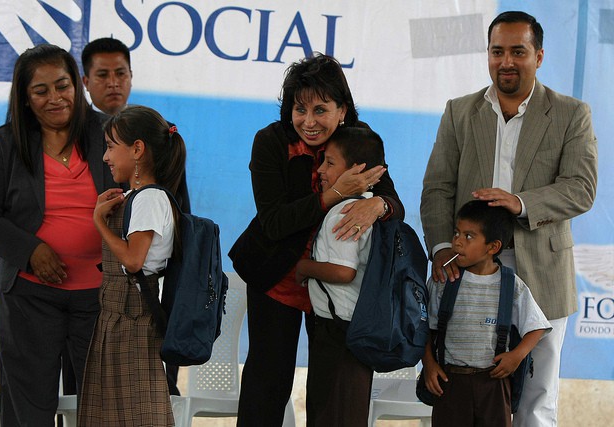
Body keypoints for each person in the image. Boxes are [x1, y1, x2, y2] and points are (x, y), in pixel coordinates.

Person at [420, 11, 598, 427]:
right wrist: (443, 248)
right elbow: (437, 189)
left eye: (518, 51)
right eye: (497, 51)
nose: (506, 61)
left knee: (538, 397)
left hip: (542, 269)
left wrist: (519, 202)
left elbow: (581, 188)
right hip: (470, 270)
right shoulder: (459, 112)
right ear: (488, 54)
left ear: (538, 56)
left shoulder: (572, 113)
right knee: (469, 388)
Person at [229, 53, 404, 426]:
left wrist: (378, 207)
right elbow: (273, 222)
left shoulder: (358, 142)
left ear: (343, 110)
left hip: (335, 291)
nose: (308, 122)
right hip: (277, 277)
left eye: (320, 110)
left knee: (331, 393)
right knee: (267, 384)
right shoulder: (271, 141)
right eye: (299, 109)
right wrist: (335, 194)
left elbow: (394, 204)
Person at [0, 44, 117, 426]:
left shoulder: (108, 133)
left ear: (77, 86)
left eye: (63, 86)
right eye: (41, 91)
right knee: (27, 412)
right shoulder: (7, 144)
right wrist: (31, 250)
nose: (55, 98)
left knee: (101, 409)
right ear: (24, 98)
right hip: (29, 297)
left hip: (101, 299)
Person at [80, 36, 184, 396]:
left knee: (138, 410)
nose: (106, 158)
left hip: (138, 317)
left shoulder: (150, 199)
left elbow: (134, 259)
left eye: (111, 148)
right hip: (122, 315)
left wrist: (98, 222)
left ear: (137, 150)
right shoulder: (137, 196)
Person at [422, 200, 552, 426]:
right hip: (449, 382)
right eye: (456, 233)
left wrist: (516, 356)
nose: (457, 242)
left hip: (494, 384)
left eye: (469, 236)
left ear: (492, 247)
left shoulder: (511, 285)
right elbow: (424, 328)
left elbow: (537, 326)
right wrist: (429, 364)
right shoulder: (444, 281)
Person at [295, 127, 385, 426]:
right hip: (352, 328)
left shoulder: (344, 211)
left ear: (357, 170)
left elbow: (343, 272)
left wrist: (304, 268)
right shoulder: (367, 207)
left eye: (330, 163)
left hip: (337, 332)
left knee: (331, 412)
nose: (320, 170)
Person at [81, 37, 132, 115]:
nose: (113, 83)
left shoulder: (150, 124)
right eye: (102, 75)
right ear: (86, 83)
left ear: (130, 76)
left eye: (120, 73)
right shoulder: (75, 126)